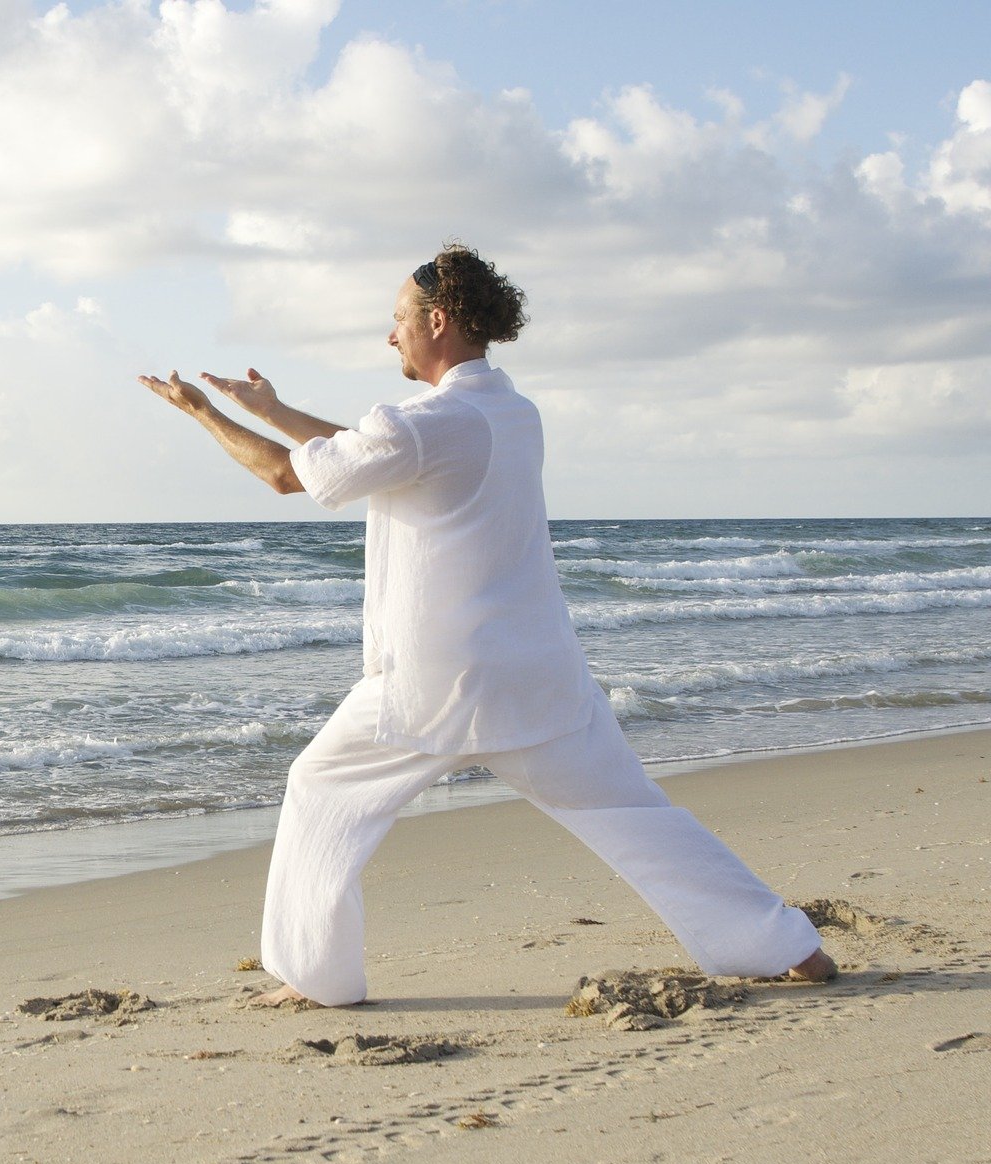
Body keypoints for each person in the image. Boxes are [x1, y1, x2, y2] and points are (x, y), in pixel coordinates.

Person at [138, 242, 835, 1007]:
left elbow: (287, 474)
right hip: (539, 676)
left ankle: (318, 978)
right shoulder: (508, 412)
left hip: (435, 684)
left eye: (398, 319)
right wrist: (273, 408)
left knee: (319, 788)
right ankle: (786, 945)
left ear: (436, 320)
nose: (390, 336)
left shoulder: (421, 425)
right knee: (637, 816)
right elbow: (387, 449)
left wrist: (203, 412)